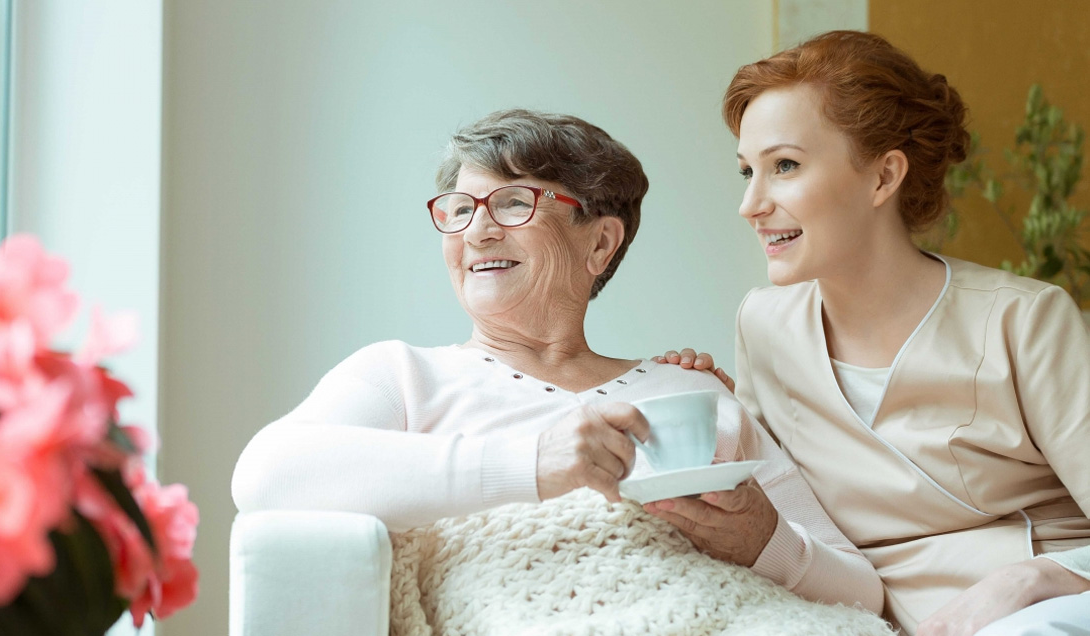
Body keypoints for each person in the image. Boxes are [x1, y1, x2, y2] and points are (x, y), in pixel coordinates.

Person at [233, 109, 883, 611]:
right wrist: (534, 464)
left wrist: (765, 543)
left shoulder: (688, 392)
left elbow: (863, 594)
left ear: (599, 242)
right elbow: (265, 473)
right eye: (458, 210)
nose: (477, 231)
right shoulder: (404, 374)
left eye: (513, 203)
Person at [656, 30, 1090, 636]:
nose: (750, 204)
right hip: (870, 616)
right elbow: (783, 519)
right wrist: (721, 430)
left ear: (884, 176)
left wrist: (1032, 580)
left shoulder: (1025, 319)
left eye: (784, 166)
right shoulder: (764, 324)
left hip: (1048, 604)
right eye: (746, 171)